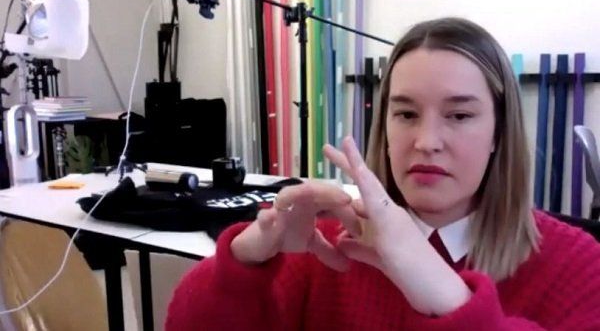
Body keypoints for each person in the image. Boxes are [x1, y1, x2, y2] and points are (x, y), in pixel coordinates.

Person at [165, 18, 600, 330]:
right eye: (406, 113)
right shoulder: (326, 246)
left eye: (460, 115)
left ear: (498, 133)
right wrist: (243, 261)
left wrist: (444, 294)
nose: (427, 140)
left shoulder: (578, 265)